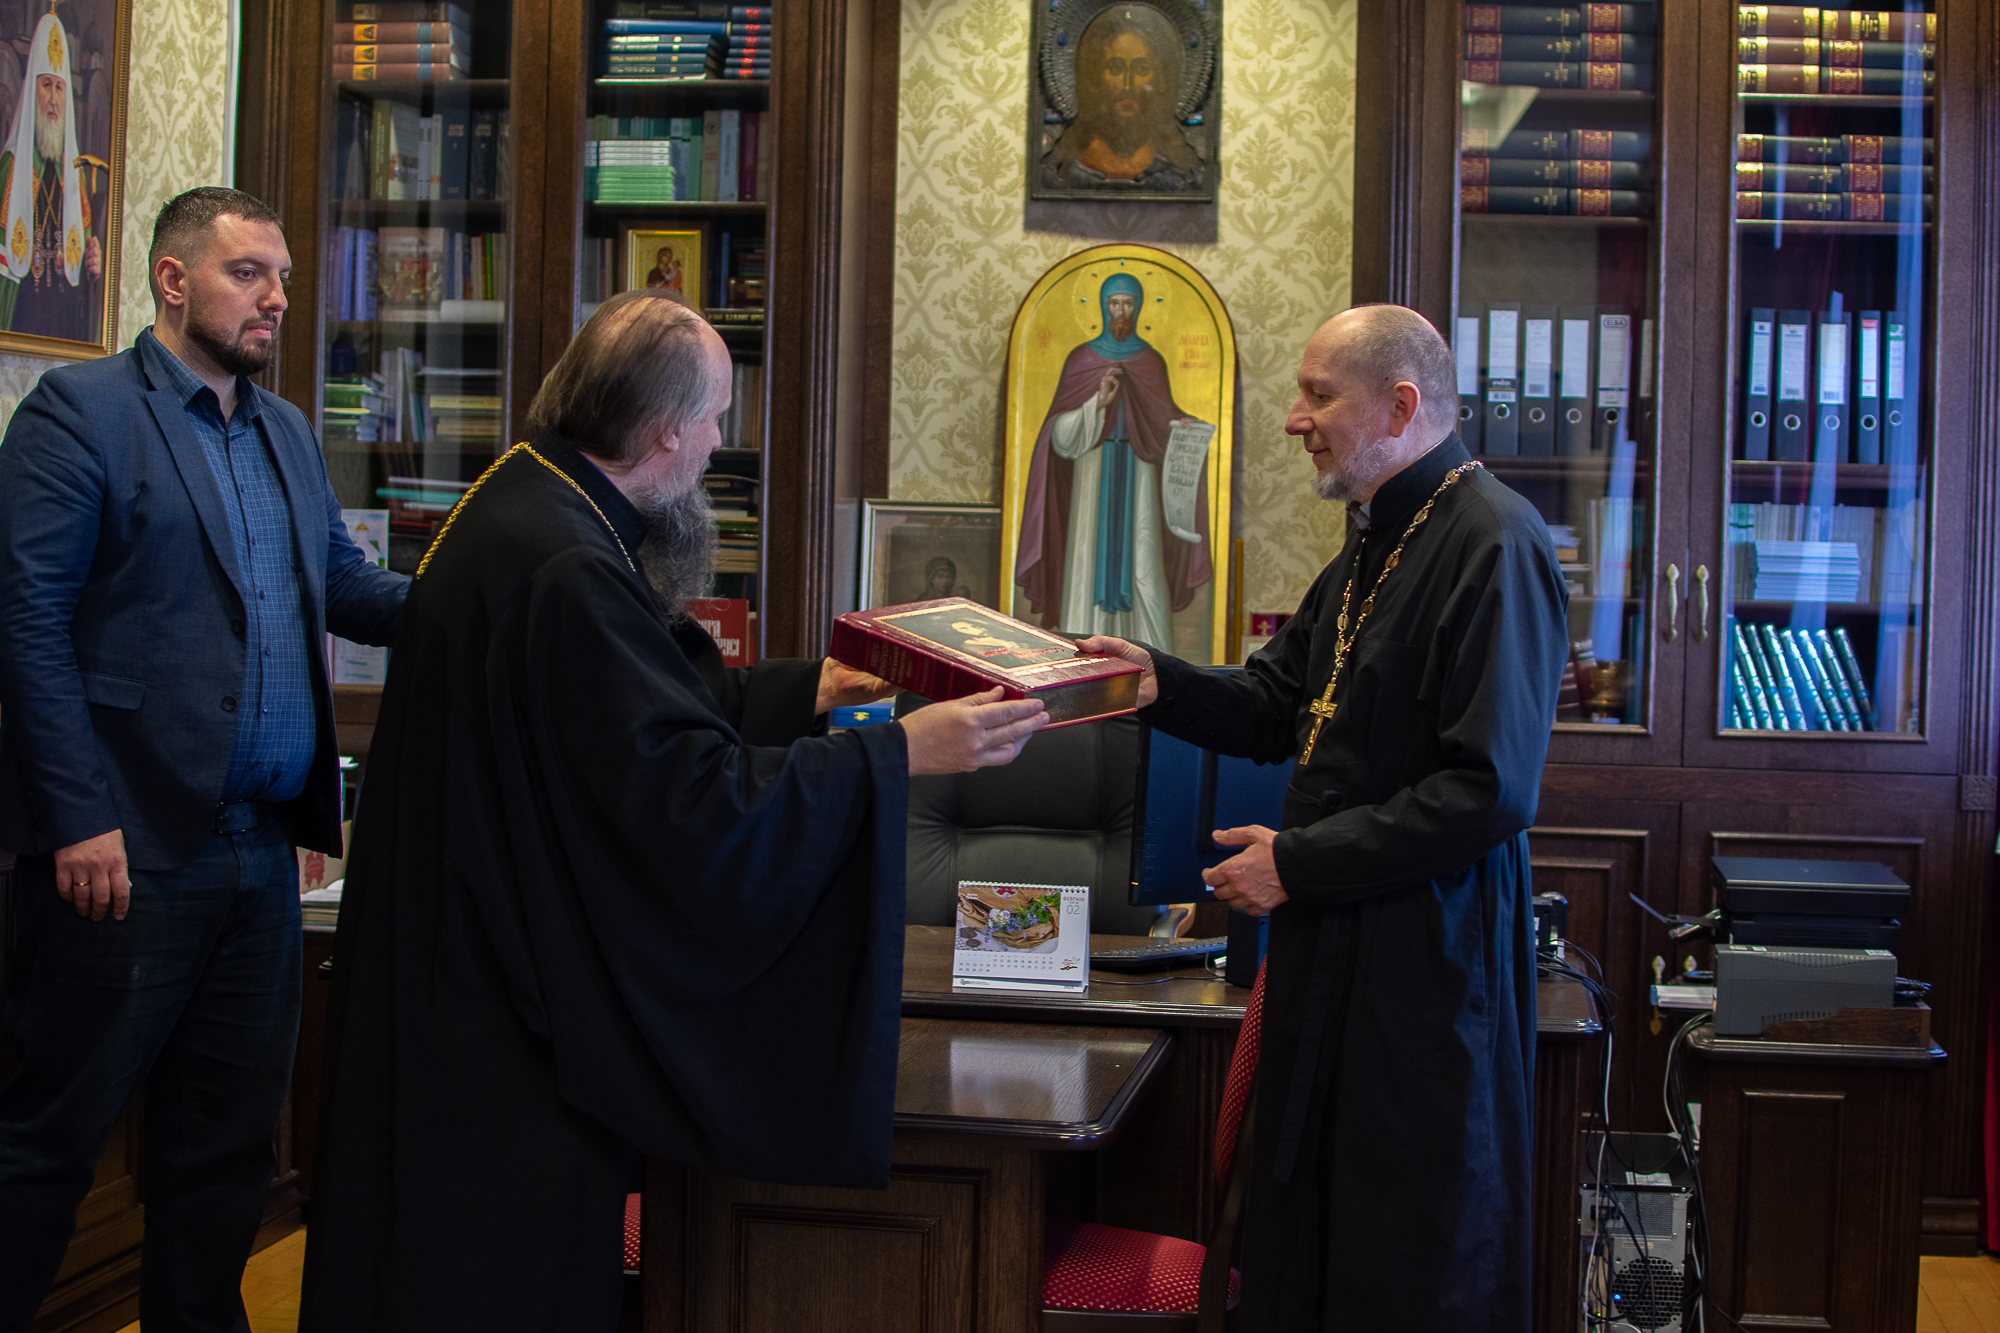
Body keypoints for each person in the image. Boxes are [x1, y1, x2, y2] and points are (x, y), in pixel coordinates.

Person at [300, 290, 1047, 1332]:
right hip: (502, 1028)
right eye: (712, 418)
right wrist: (899, 754)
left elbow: (626, 716)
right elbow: (685, 805)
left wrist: (811, 691)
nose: (713, 445)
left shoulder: (523, 499)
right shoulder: (569, 563)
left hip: (448, 967)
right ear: (660, 431)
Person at [1080, 304, 1569, 1331]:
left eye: (1317, 395)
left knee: (1403, 1254)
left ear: (1398, 406)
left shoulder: (1494, 540)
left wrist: (1296, 863)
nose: (1295, 419)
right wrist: (1153, 679)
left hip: (1424, 966)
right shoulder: (1370, 543)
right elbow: (1272, 704)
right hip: (1334, 951)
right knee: (1308, 1242)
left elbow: (1488, 790)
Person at [0, 187, 408, 1331]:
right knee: (50, 1144)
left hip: (259, 854)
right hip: (122, 853)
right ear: (173, 280)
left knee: (224, 1156)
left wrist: (498, 590)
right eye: (248, 274)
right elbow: (24, 622)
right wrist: (78, 817)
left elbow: (347, 587)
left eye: (282, 278)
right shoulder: (79, 413)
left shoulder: (285, 430)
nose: (276, 298)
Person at [1015, 270, 1213, 645]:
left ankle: (1153, 653)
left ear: (1139, 308)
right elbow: (1056, 434)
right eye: (1114, 303)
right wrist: (1096, 403)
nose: (1121, 312)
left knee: (1144, 562)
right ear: (1103, 307)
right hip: (1091, 472)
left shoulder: (1150, 361)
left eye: (1128, 304)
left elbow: (1161, 416)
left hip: (1140, 471)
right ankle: (1080, 651)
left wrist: (1180, 423)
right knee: (1085, 559)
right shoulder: (1081, 359)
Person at [0, 11, 104, 342]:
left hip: (64, 321)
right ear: (32, 94)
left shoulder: (73, 176)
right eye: (47, 85)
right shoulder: (9, 167)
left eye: (60, 88)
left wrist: (92, 263)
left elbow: (82, 265)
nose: (54, 99)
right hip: (19, 315)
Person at [1042, 2, 1204, 190]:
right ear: (1096, 78)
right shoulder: (1061, 172)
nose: (1128, 84)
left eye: (1141, 69)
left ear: (1162, 81)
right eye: (1115, 68)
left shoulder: (1179, 176)